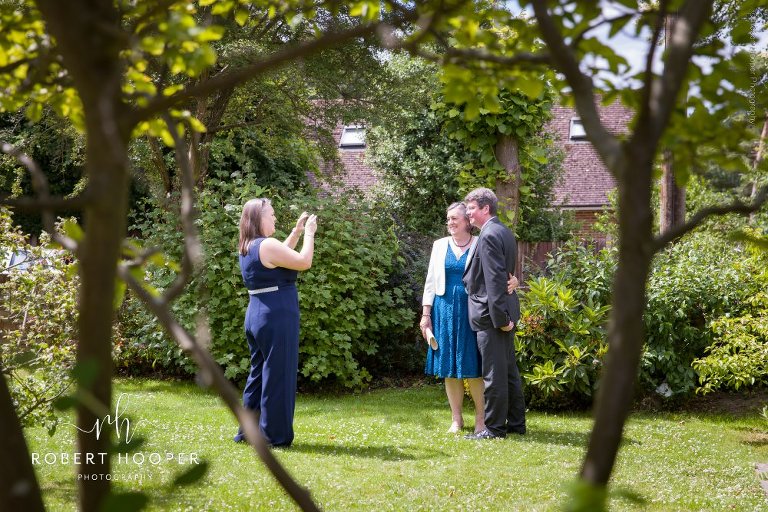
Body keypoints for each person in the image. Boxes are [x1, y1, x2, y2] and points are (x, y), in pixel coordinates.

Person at [420, 202, 518, 435]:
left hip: (474, 310)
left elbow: (498, 274)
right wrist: (426, 315)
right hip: (443, 310)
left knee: (474, 366)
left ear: (467, 221)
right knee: (449, 368)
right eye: (448, 219)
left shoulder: (480, 242)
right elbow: (430, 282)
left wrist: (514, 282)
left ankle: (481, 419)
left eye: (454, 218)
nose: (450, 223)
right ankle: (456, 419)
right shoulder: (439, 245)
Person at [234, 198, 317, 447]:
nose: (275, 218)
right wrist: (310, 235)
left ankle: (249, 431)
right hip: (276, 315)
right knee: (278, 374)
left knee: (259, 374)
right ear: (259, 219)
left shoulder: (249, 246)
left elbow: (280, 256)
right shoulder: (266, 244)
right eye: (271, 214)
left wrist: (296, 232)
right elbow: (303, 261)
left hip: (257, 315)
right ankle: (274, 436)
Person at [462, 187, 526, 440]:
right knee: (508, 371)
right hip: (499, 313)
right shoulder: (502, 231)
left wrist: (501, 320)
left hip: (492, 317)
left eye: (471, 208)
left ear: (485, 208)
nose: (468, 213)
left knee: (494, 374)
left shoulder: (489, 235)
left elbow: (495, 280)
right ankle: (516, 423)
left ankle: (494, 428)